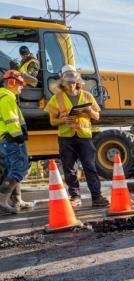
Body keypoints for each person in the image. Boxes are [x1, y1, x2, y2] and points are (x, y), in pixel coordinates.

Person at [44, 66, 109, 207]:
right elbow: (52, 121)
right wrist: (63, 120)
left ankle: (97, 197)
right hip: (66, 137)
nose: (72, 84)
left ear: (78, 82)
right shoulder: (57, 98)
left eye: (74, 82)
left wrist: (89, 110)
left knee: (90, 167)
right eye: (69, 82)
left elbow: (97, 116)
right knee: (69, 169)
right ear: (63, 83)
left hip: (84, 137)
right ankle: (75, 197)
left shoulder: (87, 96)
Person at [0, 70, 34, 214]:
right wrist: (19, 138)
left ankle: (17, 200)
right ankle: (2, 200)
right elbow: (12, 121)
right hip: (12, 139)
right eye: (20, 84)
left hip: (5, 140)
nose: (22, 87)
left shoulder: (5, 96)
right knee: (19, 169)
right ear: (12, 82)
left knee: (11, 168)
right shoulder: (7, 98)